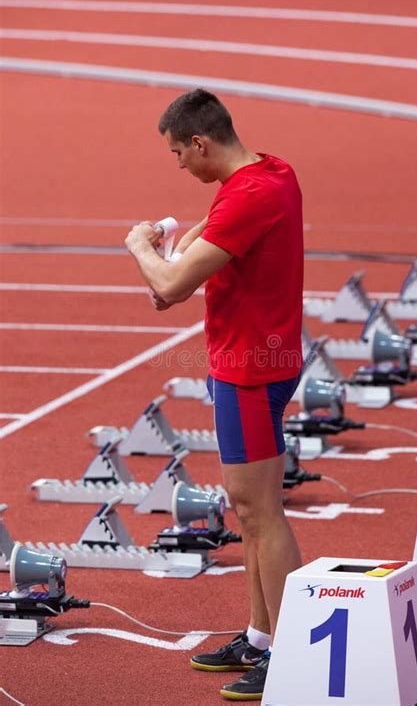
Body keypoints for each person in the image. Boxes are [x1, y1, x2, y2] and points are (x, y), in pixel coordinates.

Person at [125, 88, 303, 702]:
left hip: (251, 370)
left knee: (260, 514)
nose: (179, 166)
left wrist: (143, 250)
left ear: (201, 142)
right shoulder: (268, 172)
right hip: (257, 360)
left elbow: (171, 285)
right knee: (250, 512)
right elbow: (206, 239)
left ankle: (288, 653)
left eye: (179, 154)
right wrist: (175, 263)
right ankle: (259, 636)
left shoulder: (249, 193)